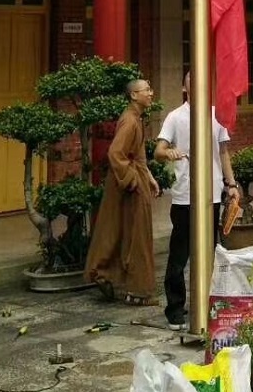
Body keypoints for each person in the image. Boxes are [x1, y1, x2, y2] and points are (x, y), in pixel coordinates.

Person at [153, 73, 237, 330]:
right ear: (184, 88)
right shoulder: (175, 117)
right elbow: (158, 151)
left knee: (210, 251)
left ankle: (210, 303)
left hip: (212, 193)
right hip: (185, 195)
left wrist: (231, 184)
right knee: (180, 254)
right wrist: (169, 152)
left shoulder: (216, 115)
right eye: (192, 83)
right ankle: (175, 308)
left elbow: (223, 152)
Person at [84, 78, 159, 305]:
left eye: (150, 89)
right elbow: (115, 153)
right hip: (128, 183)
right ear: (133, 95)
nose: (151, 93)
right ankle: (137, 291)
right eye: (146, 90)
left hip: (132, 179)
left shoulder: (135, 118)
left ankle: (108, 276)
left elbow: (138, 156)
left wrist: (149, 178)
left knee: (119, 231)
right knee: (136, 235)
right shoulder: (130, 121)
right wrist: (133, 180)